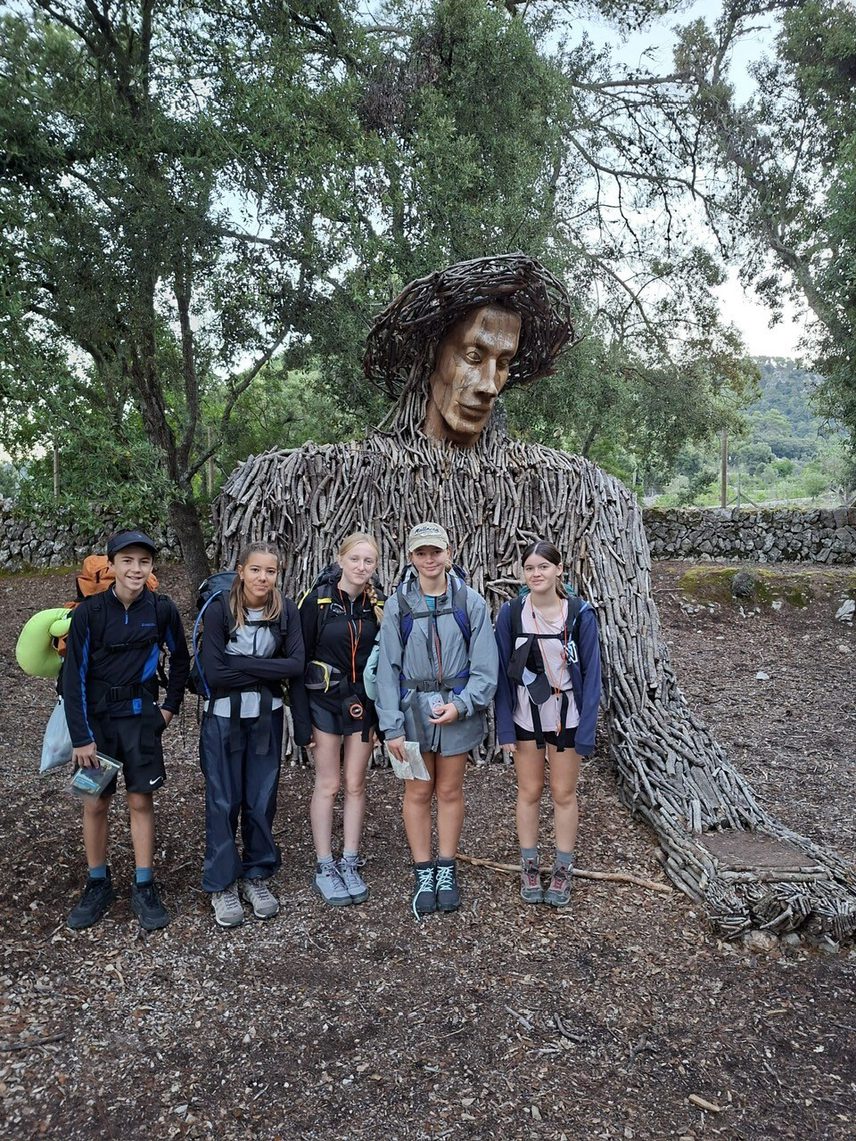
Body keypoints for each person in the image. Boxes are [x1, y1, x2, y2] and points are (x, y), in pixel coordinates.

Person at [63, 529, 189, 931]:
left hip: (141, 722)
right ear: (112, 564)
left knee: (140, 800)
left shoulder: (162, 609)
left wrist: (168, 709)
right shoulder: (89, 614)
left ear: (152, 567)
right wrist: (81, 737)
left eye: (144, 562)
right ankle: (97, 882)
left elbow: (182, 662)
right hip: (98, 727)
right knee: (94, 801)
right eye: (128, 561)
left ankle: (144, 884)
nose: (136, 569)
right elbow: (73, 679)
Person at [375, 521, 498, 917]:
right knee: (416, 792)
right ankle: (423, 869)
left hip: (456, 711)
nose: (429, 559)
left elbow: (485, 668)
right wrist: (391, 725)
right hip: (411, 714)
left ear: (448, 553)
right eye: (421, 553)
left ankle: (446, 867)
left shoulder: (470, 603)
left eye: (435, 552)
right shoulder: (398, 606)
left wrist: (461, 706)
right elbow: (387, 671)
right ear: (410, 557)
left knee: (449, 791)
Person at [197, 541, 304, 928]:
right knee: (223, 799)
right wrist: (267, 669)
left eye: (270, 571)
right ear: (240, 570)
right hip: (223, 718)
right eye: (256, 569)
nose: (263, 578)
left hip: (265, 717)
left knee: (261, 797)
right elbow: (213, 674)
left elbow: (295, 665)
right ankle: (222, 882)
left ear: (278, 574)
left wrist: (240, 663)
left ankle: (256, 873)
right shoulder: (218, 611)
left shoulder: (285, 611)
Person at [495, 540, 602, 906]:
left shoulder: (579, 614)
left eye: (543, 566)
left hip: (567, 716)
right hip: (527, 716)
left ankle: (562, 867)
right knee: (528, 791)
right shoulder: (511, 614)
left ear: (559, 569)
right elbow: (500, 674)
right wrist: (505, 728)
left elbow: (592, 675)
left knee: (563, 793)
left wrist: (585, 731)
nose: (536, 573)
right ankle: (528, 864)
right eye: (529, 568)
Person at [290, 533, 385, 907]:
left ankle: (350, 860)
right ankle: (325, 865)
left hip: (362, 707)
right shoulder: (316, 602)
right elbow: (297, 665)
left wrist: (381, 718)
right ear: (340, 560)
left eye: (369, 562)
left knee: (356, 783)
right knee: (328, 784)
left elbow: (384, 665)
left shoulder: (377, 606)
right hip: (323, 704)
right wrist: (301, 721)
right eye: (356, 559)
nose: (362, 568)